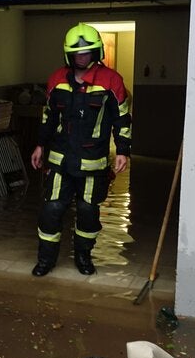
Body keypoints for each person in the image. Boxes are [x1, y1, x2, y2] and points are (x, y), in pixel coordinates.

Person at [30, 23, 131, 277]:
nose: (81, 58)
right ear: (68, 55)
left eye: (86, 53)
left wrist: (122, 150)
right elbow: (48, 117)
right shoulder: (56, 80)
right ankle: (46, 260)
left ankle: (83, 257)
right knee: (52, 210)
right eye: (77, 54)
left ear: (96, 53)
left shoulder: (111, 81)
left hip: (92, 162)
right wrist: (40, 145)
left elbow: (122, 118)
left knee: (88, 212)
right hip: (60, 160)